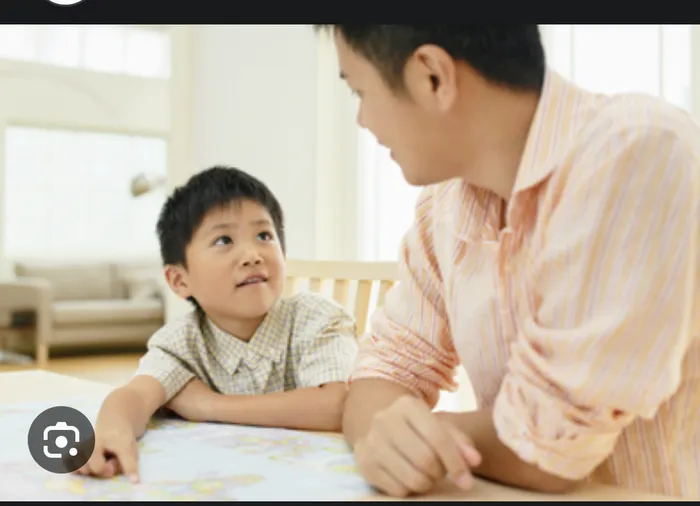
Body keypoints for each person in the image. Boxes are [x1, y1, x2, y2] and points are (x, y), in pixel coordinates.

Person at [317, 24, 700, 499]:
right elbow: (383, 371)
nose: (362, 120)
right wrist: (384, 430)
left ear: (432, 76)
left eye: (360, 91)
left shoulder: (638, 150)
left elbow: (550, 451)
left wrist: (409, 433)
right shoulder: (445, 206)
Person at [75, 166, 359, 482]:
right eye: (224, 240)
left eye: (264, 235)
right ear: (180, 279)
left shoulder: (316, 317)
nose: (252, 254)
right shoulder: (181, 342)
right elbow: (135, 396)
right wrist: (113, 430)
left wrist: (210, 405)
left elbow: (337, 406)